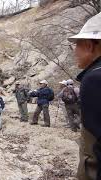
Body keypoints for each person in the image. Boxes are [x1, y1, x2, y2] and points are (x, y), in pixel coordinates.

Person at [68, 12, 101, 179]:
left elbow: (94, 152)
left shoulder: (94, 78)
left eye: (76, 45)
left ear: (89, 45)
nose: (74, 51)